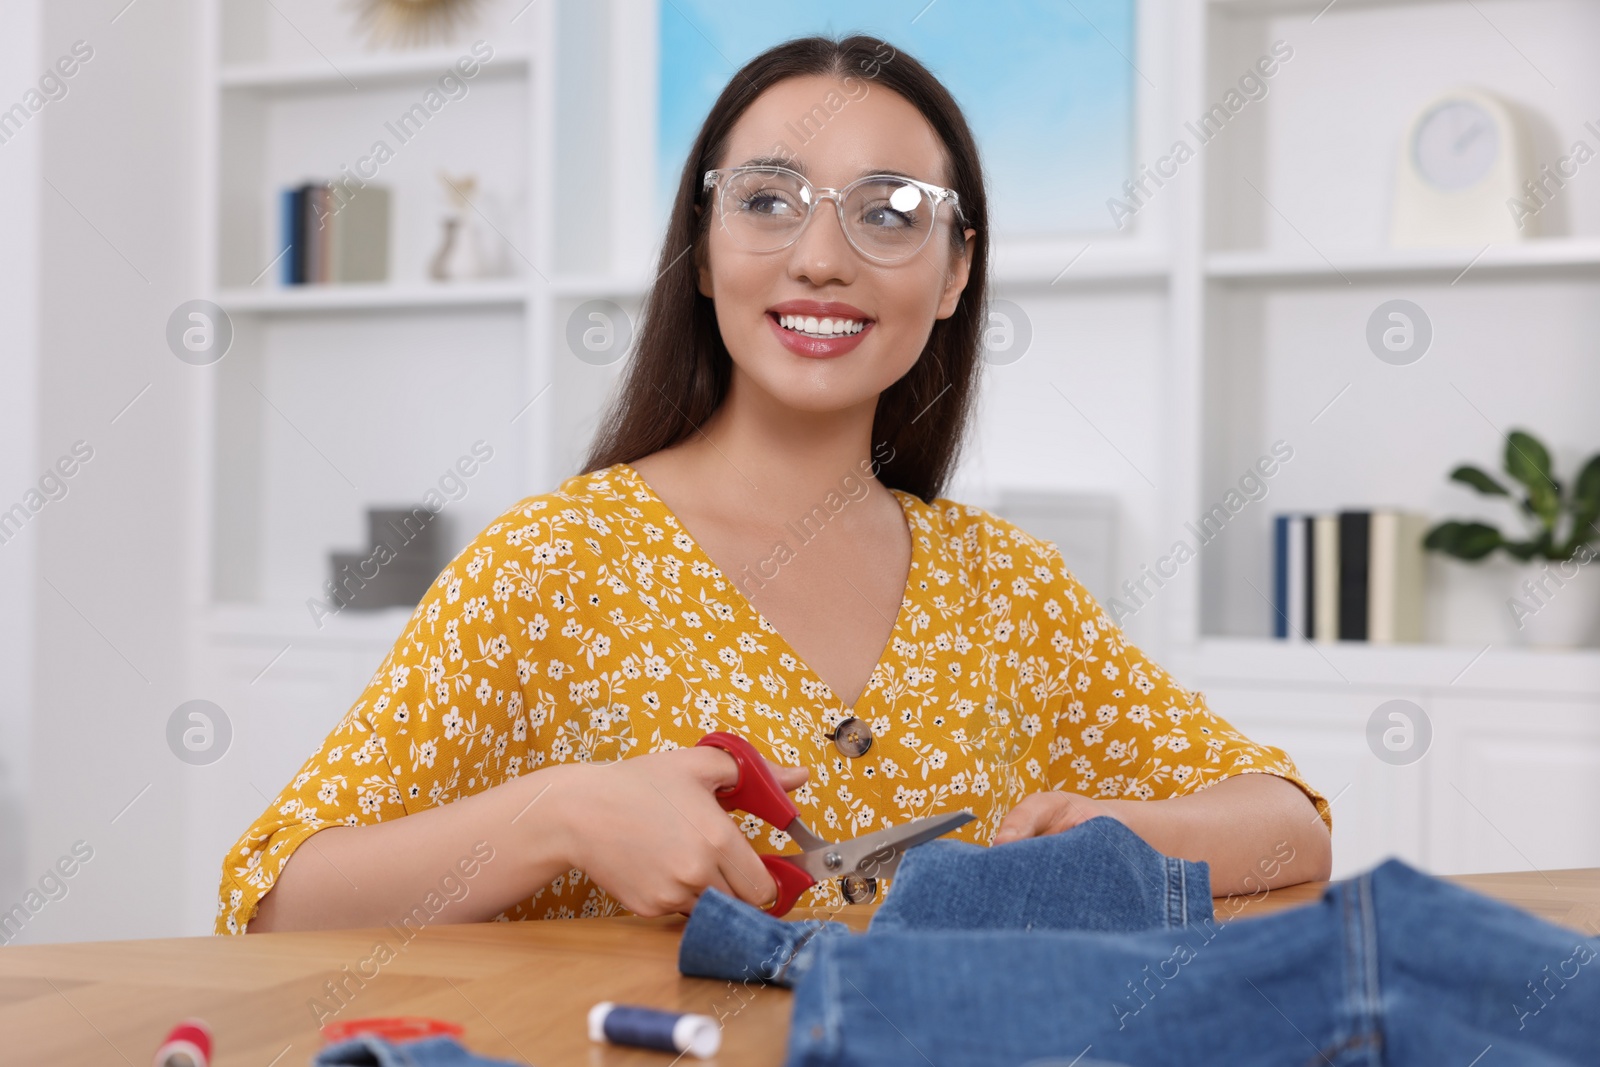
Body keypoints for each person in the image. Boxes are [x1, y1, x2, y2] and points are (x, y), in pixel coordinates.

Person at [218, 34, 1331, 935]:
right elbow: (276, 901)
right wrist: (556, 815)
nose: (821, 256)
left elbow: (1289, 826)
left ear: (955, 274)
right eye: (767, 199)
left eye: (889, 212)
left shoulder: (1010, 586)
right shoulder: (554, 562)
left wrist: (1123, 830)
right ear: (701, 251)